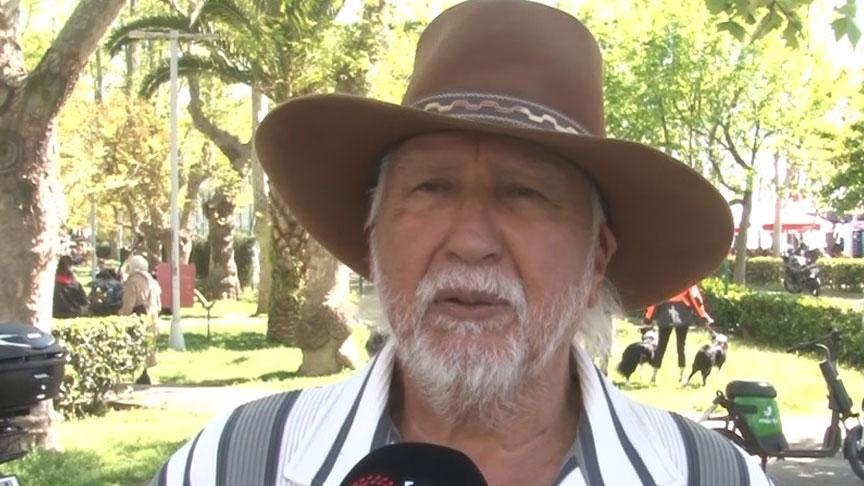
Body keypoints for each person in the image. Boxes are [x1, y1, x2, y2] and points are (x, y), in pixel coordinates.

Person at [152, 1, 770, 484]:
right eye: (431, 189)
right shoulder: (231, 466)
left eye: (524, 193)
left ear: (596, 259)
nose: (471, 242)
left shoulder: (710, 477)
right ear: (373, 237)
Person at [644, 284, 713, 384]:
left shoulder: (661, 279)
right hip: (682, 311)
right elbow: (694, 296)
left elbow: (654, 298)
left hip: (665, 310)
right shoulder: (685, 278)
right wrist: (702, 315)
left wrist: (648, 317)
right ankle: (681, 376)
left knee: (661, 346)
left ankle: (653, 376)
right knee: (681, 346)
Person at [120, 255, 162, 385]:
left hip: (139, 318)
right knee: (146, 349)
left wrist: (120, 316)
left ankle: (142, 377)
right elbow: (159, 306)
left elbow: (128, 306)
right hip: (152, 318)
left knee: (137, 350)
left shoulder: (133, 281)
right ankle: (143, 376)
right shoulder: (153, 281)